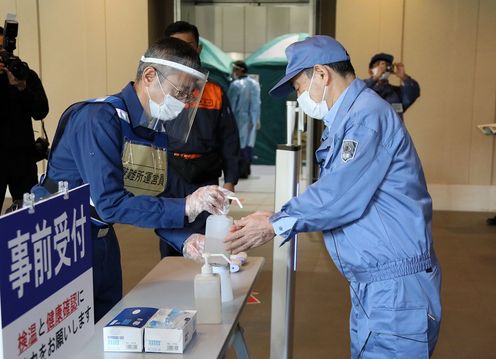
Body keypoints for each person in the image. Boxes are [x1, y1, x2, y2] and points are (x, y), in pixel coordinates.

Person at [225, 36, 441, 358]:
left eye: (298, 87)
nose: (299, 99)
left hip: (395, 289)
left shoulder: (365, 116)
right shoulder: (348, 118)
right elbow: (337, 191)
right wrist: (274, 215)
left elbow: (339, 195)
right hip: (376, 284)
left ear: (322, 75)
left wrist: (274, 224)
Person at [31, 37, 227, 322]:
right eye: (180, 92)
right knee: (66, 329)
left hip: (100, 237)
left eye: (188, 96)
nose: (183, 104)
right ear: (150, 76)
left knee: (104, 321)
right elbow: (110, 203)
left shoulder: (148, 129)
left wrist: (186, 239)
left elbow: (153, 193)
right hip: (60, 239)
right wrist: (186, 206)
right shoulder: (98, 118)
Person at [156, 21, 240, 258]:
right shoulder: (160, 90)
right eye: (176, 46)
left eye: (189, 46)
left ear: (199, 49)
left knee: (209, 239)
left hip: (205, 174)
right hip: (171, 174)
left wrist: (230, 181)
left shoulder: (214, 91)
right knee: (171, 236)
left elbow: (229, 138)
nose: (184, 52)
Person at [0, 26, 49, 211]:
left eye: (5, 49)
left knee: (28, 212)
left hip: (23, 158)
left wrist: (22, 88)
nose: (3, 55)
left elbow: (41, 111)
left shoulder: (26, 75)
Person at [227, 60, 261, 178]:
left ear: (240, 70)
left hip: (237, 119)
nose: (233, 72)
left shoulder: (236, 85)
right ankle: (246, 170)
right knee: (248, 144)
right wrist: (256, 119)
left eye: (235, 69)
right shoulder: (255, 84)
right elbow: (257, 104)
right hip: (251, 120)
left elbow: (230, 105)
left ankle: (239, 170)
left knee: (238, 144)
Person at [365, 52, 420, 120]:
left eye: (387, 65)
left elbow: (413, 93)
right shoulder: (364, 89)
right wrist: (374, 78)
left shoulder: (396, 93)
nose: (382, 68)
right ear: (370, 71)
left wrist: (404, 77)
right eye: (377, 65)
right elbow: (355, 95)